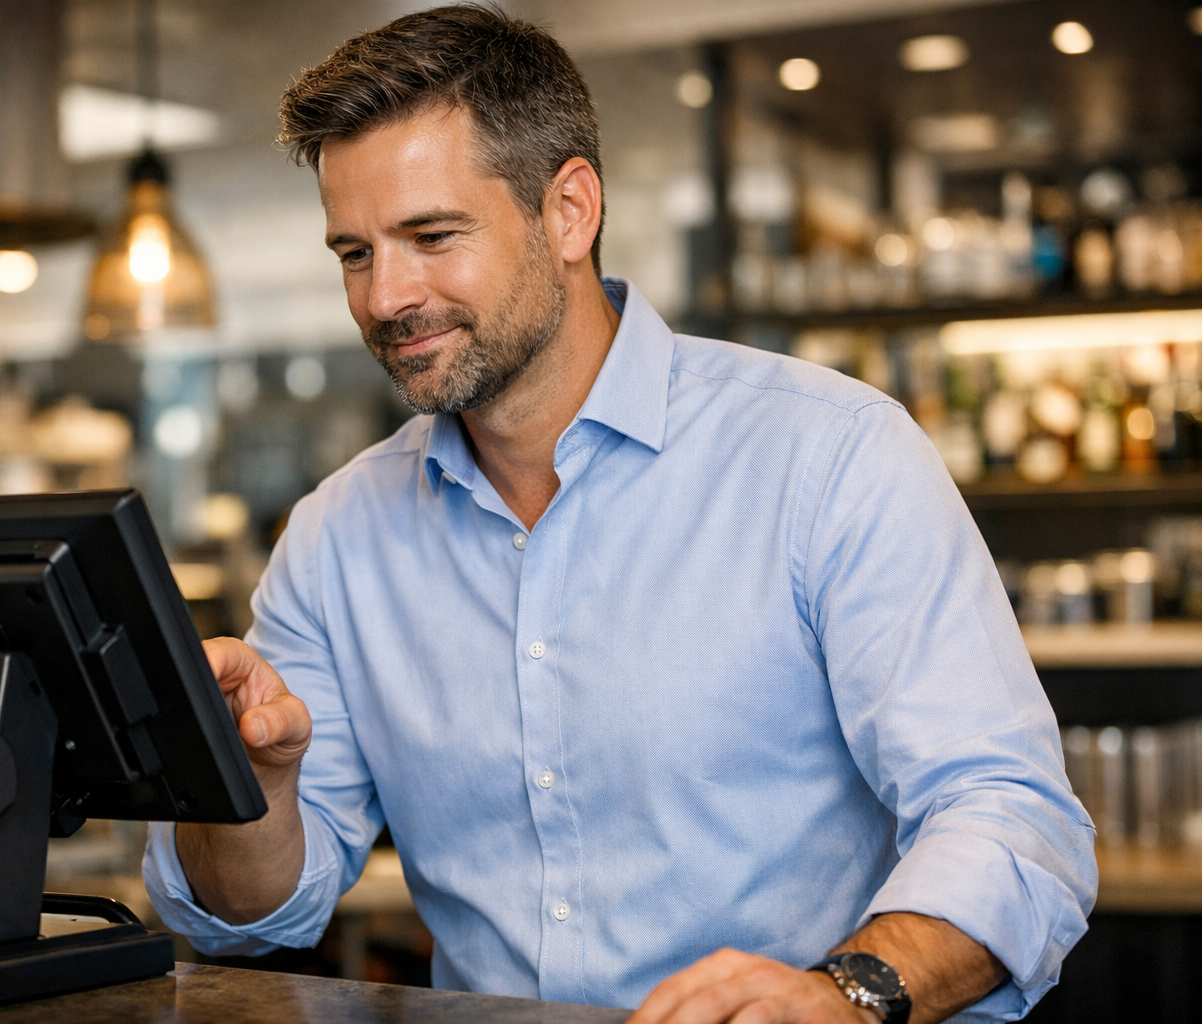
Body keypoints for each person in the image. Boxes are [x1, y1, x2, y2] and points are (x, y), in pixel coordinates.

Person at [143, 6, 1096, 1022]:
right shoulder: (337, 537)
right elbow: (251, 918)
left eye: (431, 236)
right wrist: (245, 785)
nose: (385, 297)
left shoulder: (830, 456)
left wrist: (841, 996)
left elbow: (1013, 818)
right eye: (353, 252)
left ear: (569, 211)